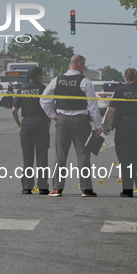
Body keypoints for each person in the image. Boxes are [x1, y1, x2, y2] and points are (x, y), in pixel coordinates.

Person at [40, 54, 102, 197]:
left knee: (60, 155)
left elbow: (44, 100)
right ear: (79, 64)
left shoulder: (57, 80)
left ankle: (57, 188)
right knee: (83, 155)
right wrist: (98, 126)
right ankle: (86, 189)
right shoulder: (85, 81)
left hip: (63, 120)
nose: (84, 68)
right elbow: (93, 106)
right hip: (81, 121)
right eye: (84, 65)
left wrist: (53, 116)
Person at [102, 68, 137, 197]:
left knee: (125, 160)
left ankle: (127, 190)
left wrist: (105, 125)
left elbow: (112, 110)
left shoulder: (120, 91)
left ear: (125, 78)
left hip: (124, 127)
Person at [12, 67, 50, 195]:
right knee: (42, 157)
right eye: (42, 75)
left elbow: (14, 110)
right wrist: (48, 121)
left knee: (27, 158)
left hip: (26, 125)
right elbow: (51, 106)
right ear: (38, 76)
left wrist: (19, 124)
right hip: (41, 124)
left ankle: (27, 187)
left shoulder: (21, 90)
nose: (43, 78)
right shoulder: (44, 89)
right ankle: (43, 187)